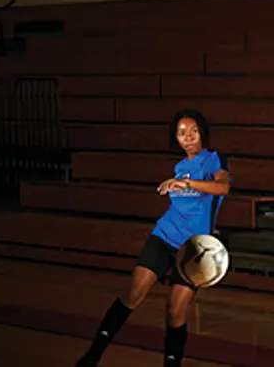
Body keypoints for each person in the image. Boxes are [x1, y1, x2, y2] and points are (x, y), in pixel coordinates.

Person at [77, 108, 231, 367]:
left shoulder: (214, 160)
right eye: (181, 133)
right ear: (176, 139)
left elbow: (223, 187)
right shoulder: (180, 167)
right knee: (133, 295)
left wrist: (188, 184)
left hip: (193, 249)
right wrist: (176, 182)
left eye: (193, 131)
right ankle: (93, 354)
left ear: (202, 133)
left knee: (174, 312)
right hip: (164, 236)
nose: (188, 137)